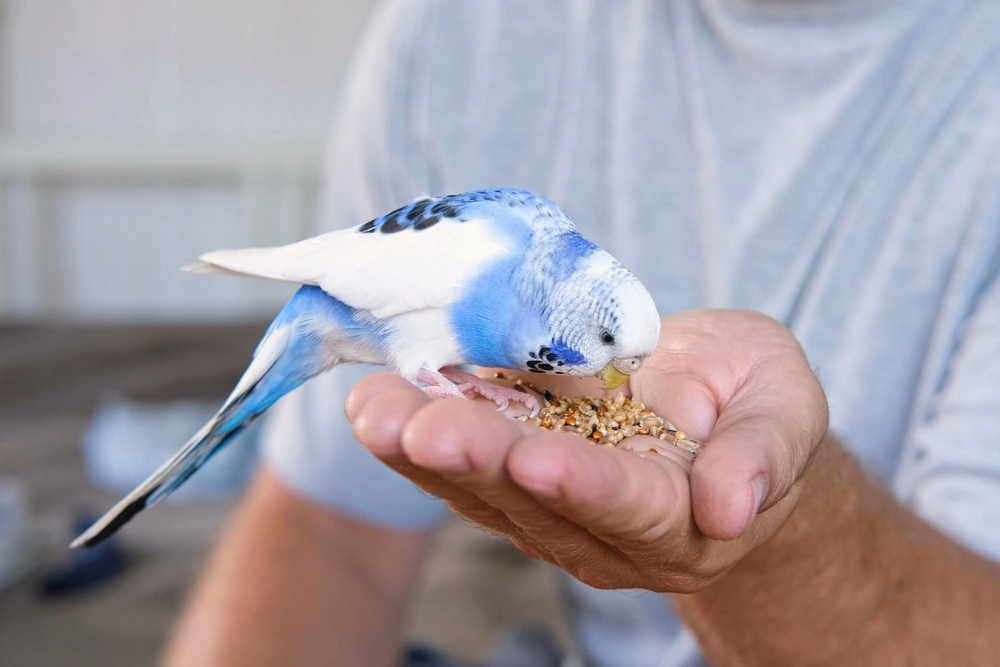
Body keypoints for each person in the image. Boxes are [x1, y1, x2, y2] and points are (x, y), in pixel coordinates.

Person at [165, 1, 1000, 665]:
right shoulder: (455, 32)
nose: (614, 384)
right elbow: (328, 527)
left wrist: (783, 516)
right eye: (608, 355)